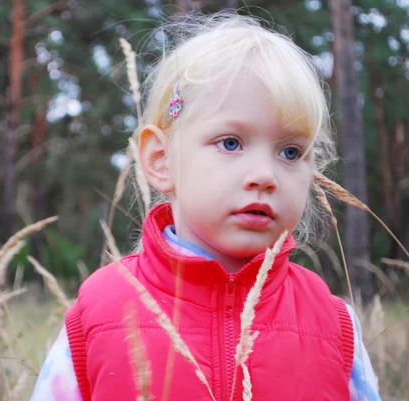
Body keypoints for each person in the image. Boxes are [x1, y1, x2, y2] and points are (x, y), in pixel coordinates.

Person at [30, 13, 381, 401]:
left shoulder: (332, 324)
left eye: (290, 151)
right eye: (231, 142)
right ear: (161, 160)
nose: (265, 175)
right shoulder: (100, 312)